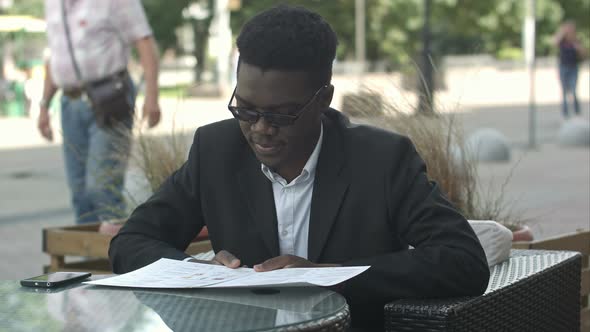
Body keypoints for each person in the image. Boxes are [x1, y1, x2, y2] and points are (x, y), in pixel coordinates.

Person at [109, 5, 489, 330]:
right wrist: (199, 272)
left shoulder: (382, 160)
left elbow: (463, 260)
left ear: (324, 99)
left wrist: (327, 276)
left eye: (281, 114)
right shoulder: (216, 150)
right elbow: (131, 242)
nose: (260, 128)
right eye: (245, 108)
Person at [38, 0, 161, 224]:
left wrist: (152, 96)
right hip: (69, 102)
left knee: (102, 187)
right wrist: (44, 105)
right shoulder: (53, 4)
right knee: (79, 192)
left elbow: (144, 42)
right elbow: (55, 58)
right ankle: (90, 256)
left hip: (110, 98)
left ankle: (117, 254)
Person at [553, 20, 586, 118]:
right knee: (563, 91)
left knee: (573, 89)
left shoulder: (576, 40)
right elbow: (554, 42)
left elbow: (583, 54)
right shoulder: (562, 41)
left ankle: (576, 112)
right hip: (563, 67)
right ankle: (565, 113)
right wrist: (562, 31)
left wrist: (578, 48)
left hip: (573, 67)